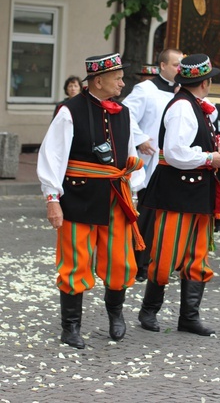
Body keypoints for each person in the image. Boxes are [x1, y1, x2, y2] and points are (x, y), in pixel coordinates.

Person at [37, 52, 145, 349]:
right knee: (75, 261)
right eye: (118, 78)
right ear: (98, 81)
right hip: (78, 197)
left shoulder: (124, 112)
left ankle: (116, 315)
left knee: (119, 260)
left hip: (115, 198)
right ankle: (70, 326)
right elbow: (52, 156)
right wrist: (52, 199)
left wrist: (133, 191)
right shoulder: (69, 111)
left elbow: (130, 153)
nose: (123, 83)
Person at [138, 53, 220, 336]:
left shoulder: (196, 106)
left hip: (196, 191)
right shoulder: (182, 107)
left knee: (197, 255)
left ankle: (189, 317)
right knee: (167, 254)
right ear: (205, 82)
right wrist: (209, 159)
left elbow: (201, 136)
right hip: (178, 192)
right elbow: (176, 151)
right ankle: (148, 310)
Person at [122, 48, 183, 281]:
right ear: (163, 66)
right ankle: (140, 263)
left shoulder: (183, 91)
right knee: (147, 216)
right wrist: (140, 139)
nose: (180, 69)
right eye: (176, 64)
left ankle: (164, 259)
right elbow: (125, 114)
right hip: (151, 162)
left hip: (176, 164)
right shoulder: (146, 89)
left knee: (169, 215)